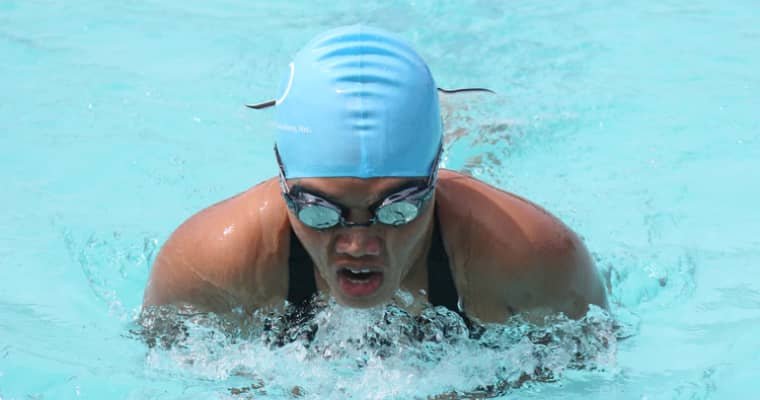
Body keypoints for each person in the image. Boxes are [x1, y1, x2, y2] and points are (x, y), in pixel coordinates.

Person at [142, 25, 608, 324]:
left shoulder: (536, 261)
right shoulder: (205, 268)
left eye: (398, 207)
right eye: (320, 211)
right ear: (282, 182)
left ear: (432, 180)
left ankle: (481, 133)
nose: (359, 244)